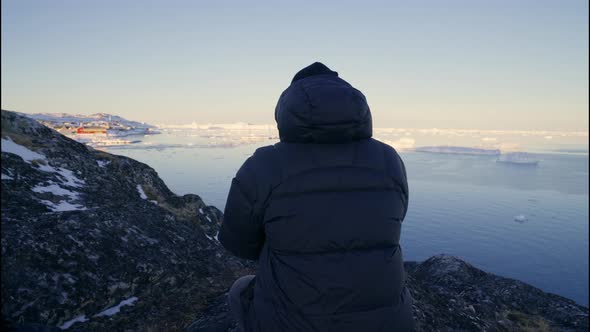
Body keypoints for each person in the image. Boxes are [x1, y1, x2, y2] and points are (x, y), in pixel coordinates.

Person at [219, 62, 414, 332]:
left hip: (292, 324)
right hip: (389, 324)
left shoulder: (265, 164)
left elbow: (238, 244)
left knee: (240, 290)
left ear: (286, 111)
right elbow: (394, 218)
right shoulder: (388, 159)